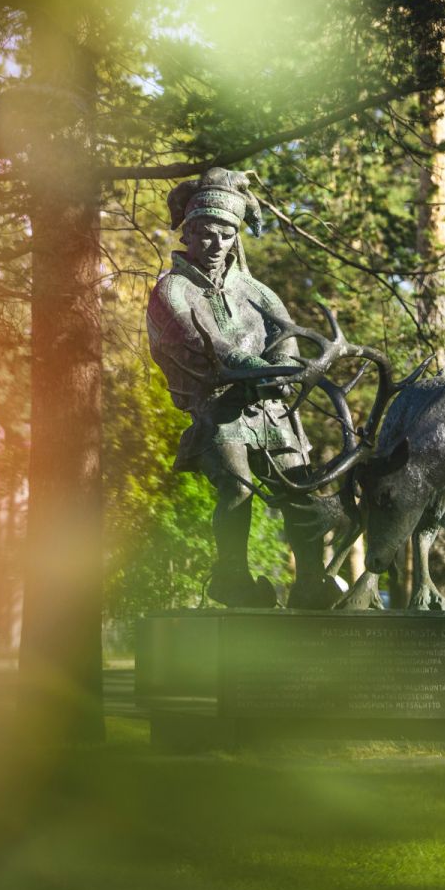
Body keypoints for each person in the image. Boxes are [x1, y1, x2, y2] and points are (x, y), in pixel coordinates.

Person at [146, 168, 343, 609]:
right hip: (217, 409)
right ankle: (231, 576)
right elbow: (203, 344)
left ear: (237, 237)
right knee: (236, 486)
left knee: (300, 487)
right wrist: (254, 369)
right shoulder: (171, 290)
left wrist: (285, 372)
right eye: (206, 234)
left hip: (271, 410)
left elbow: (287, 343)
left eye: (226, 235)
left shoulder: (258, 292)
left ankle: (311, 581)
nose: (216, 244)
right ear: (190, 233)